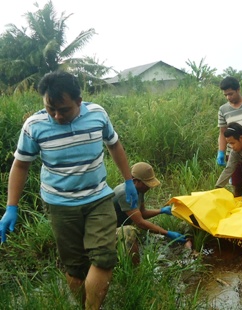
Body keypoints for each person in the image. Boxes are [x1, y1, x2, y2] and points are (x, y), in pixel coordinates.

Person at [0, 71, 139, 309]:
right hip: (60, 204)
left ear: (79, 100)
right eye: (50, 108)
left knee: (104, 258)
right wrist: (11, 207)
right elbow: (21, 164)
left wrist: (128, 180)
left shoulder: (97, 115)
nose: (56, 115)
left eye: (63, 109)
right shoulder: (34, 126)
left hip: (98, 197)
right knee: (75, 269)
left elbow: (114, 144)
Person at [114, 162, 187, 265]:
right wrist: (168, 233)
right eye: (147, 184)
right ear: (136, 181)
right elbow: (140, 222)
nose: (149, 187)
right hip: (107, 232)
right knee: (129, 231)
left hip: (120, 225)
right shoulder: (125, 193)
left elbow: (142, 213)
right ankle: (134, 271)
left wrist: (161, 211)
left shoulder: (139, 190)